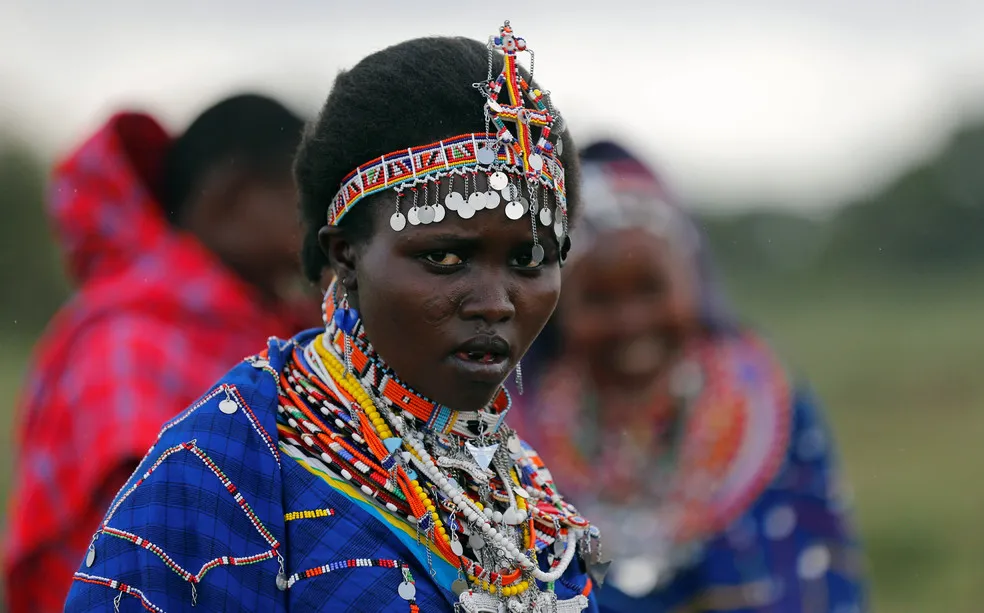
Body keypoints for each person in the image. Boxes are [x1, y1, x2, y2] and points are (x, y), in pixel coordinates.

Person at [63, 24, 604, 613]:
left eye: (530, 259)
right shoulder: (223, 469)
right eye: (445, 257)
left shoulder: (523, 490)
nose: (496, 302)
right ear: (345, 254)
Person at [508, 140, 868, 613]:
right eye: (597, 299)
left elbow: (819, 580)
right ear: (557, 308)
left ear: (693, 280)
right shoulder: (516, 437)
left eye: (650, 288)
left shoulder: (769, 415)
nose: (630, 322)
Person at [5, 93, 313, 612]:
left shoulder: (265, 329)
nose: (319, 227)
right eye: (301, 199)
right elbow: (137, 563)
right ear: (230, 199)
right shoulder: (128, 348)